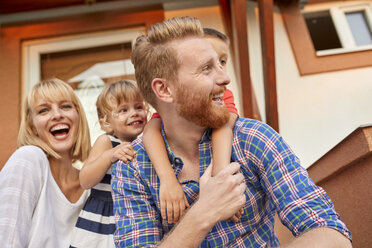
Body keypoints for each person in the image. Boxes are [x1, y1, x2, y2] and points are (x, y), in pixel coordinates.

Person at [111, 17, 352, 247]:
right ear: (164, 90)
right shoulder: (132, 168)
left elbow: (332, 235)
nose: (225, 78)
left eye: (220, 64)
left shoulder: (254, 139)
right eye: (207, 69)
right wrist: (202, 214)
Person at [142, 27, 240, 224]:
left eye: (222, 62)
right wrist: (168, 179)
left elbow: (224, 124)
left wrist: (220, 175)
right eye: (207, 66)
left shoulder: (223, 98)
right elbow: (150, 130)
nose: (222, 74)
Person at [0, 78, 91, 247]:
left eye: (66, 106)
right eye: (43, 111)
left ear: (78, 116)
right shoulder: (28, 158)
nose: (57, 115)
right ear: (32, 127)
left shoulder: (92, 184)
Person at [70, 80, 148, 248]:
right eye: (123, 110)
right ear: (106, 123)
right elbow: (85, 180)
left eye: (139, 107)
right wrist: (110, 155)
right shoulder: (107, 142)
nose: (134, 113)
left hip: (132, 215)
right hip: (103, 217)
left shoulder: (147, 145)